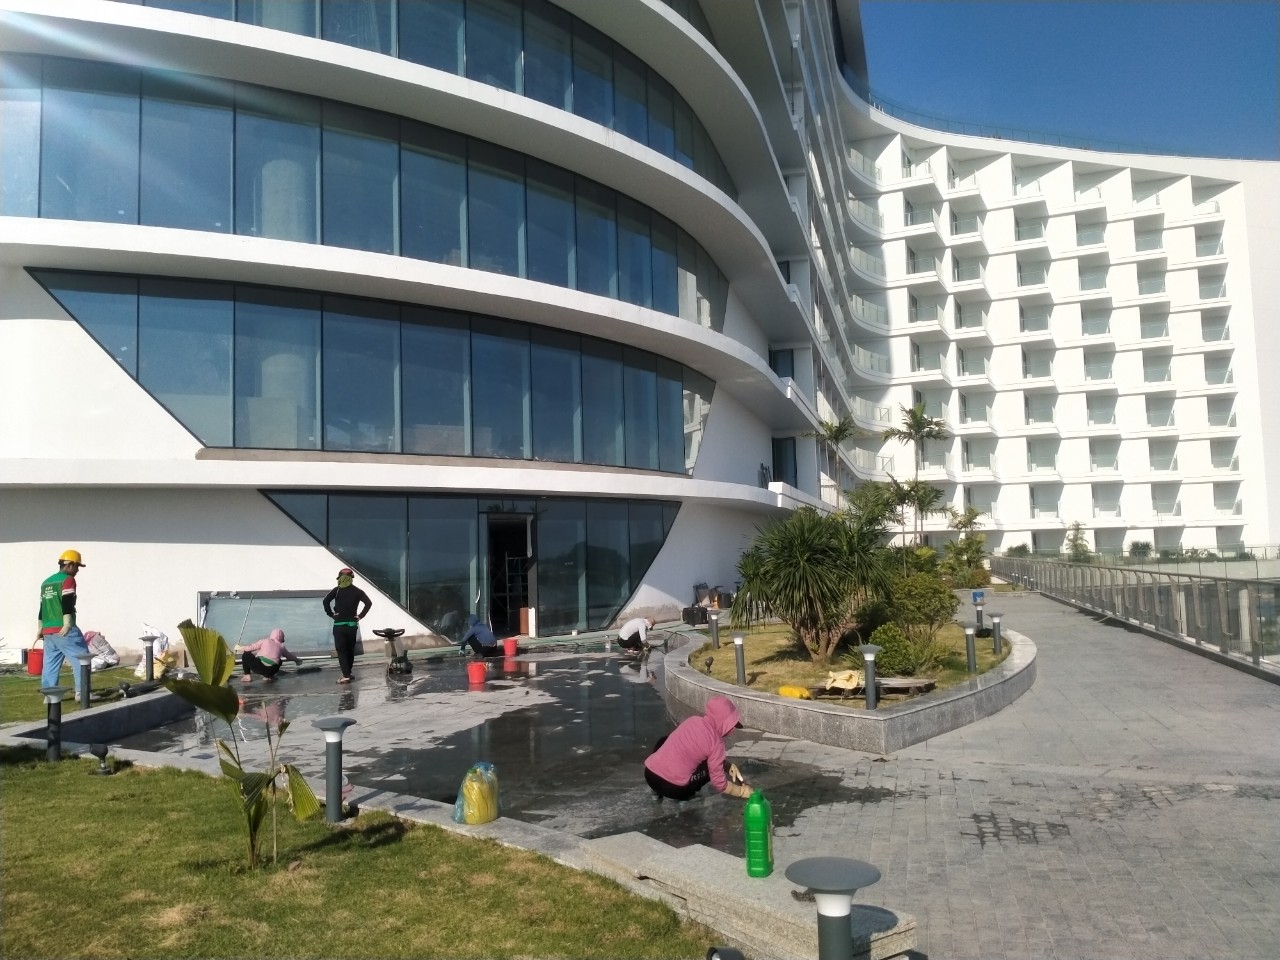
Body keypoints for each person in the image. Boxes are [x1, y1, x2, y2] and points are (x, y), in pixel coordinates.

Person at [644, 696, 753, 801]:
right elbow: (719, 783)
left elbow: (688, 749)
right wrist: (742, 791)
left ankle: (656, 791)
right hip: (673, 789)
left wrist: (727, 765)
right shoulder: (716, 743)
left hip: (650, 775)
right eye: (732, 725)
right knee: (710, 769)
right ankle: (686, 796)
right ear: (725, 723)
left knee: (665, 741)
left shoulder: (693, 720)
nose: (732, 730)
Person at [36, 549, 92, 700]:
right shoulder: (68, 580)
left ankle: (49, 696)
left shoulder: (46, 582)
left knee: (50, 664)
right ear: (69, 565)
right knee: (82, 658)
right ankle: (83, 693)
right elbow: (67, 603)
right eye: (77, 566)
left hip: (48, 630)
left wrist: (40, 627)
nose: (78, 570)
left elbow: (42, 607)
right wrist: (67, 624)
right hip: (64, 629)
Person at [323, 567, 371, 684]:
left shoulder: (337, 590)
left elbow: (325, 601)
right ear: (351, 578)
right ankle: (348, 673)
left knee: (341, 650)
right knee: (350, 649)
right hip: (352, 625)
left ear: (339, 578)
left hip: (339, 625)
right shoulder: (357, 591)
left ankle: (345, 676)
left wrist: (331, 614)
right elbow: (368, 603)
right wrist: (360, 616)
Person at [236, 628, 301, 684]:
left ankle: (247, 676)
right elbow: (289, 656)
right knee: (279, 661)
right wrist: (297, 660)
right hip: (272, 670)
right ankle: (268, 676)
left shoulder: (265, 641)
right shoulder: (282, 646)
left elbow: (249, 648)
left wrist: (239, 648)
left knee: (246, 654)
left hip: (260, 667)